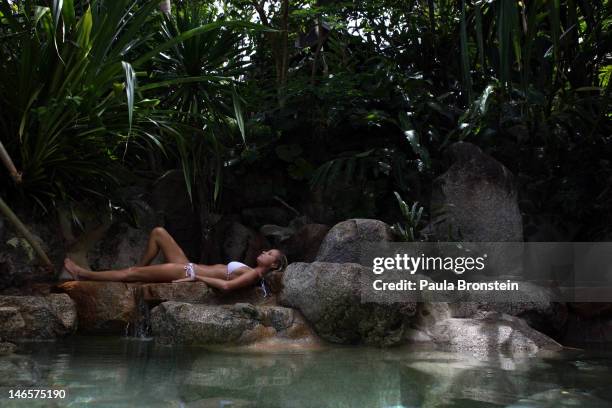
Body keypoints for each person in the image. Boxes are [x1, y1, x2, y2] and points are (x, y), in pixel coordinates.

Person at [63, 227, 287, 293]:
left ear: (274, 265)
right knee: (159, 232)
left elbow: (227, 286)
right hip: (187, 265)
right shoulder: (252, 269)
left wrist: (195, 277)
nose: (265, 251)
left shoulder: (254, 274)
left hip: (185, 272)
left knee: (130, 273)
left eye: (270, 254)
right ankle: (142, 270)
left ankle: (83, 274)